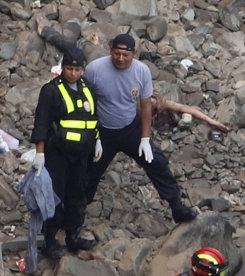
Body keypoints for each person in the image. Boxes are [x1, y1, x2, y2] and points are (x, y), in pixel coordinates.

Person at [84, 31, 197, 228]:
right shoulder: (95, 69)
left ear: (134, 53)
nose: (120, 58)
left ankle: (176, 206)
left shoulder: (141, 71)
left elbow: (145, 106)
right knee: (89, 171)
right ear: (110, 51)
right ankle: (75, 216)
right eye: (116, 53)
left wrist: (145, 138)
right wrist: (92, 133)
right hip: (102, 131)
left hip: (130, 128)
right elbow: (84, 98)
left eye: (125, 55)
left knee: (157, 162)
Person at [33, 47, 102, 259]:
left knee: (78, 195)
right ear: (63, 68)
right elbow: (41, 123)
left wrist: (98, 140)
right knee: (54, 197)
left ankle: (73, 235)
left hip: (82, 153)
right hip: (58, 153)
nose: (73, 73)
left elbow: (94, 119)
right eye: (69, 68)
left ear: (83, 69)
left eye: (77, 69)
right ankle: (50, 240)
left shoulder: (88, 88)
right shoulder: (51, 90)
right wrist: (40, 153)